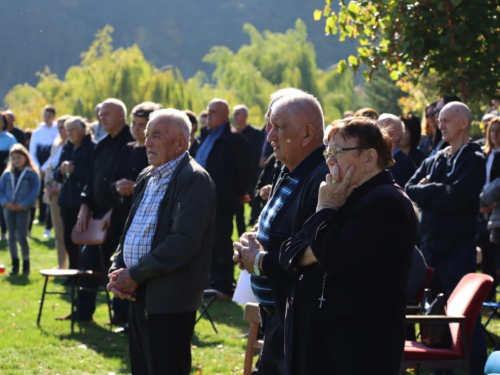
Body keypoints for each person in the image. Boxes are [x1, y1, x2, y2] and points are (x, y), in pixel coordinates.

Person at [267, 116, 416, 375]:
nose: (329, 160)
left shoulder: (387, 203)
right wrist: (323, 235)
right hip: (320, 339)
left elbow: (334, 256)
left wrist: (325, 211)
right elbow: (288, 252)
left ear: (369, 158)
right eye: (327, 151)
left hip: (358, 346)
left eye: (337, 151)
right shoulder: (343, 194)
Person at [107, 109, 216, 375]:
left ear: (180, 143)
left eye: (156, 135)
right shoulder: (147, 175)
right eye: (147, 135)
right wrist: (118, 266)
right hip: (139, 293)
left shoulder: (193, 178)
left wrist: (134, 274)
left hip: (169, 298)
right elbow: (132, 228)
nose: (148, 142)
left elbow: (183, 241)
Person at [233, 88, 329, 374]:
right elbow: (277, 230)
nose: (269, 136)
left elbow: (311, 251)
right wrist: (251, 241)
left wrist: (260, 259)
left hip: (298, 321)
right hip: (275, 317)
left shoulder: (320, 179)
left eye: (278, 127)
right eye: (269, 126)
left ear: (307, 134)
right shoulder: (287, 170)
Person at [405, 101, 487, 374]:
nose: (440, 125)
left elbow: (458, 198)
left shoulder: (473, 159)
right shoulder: (436, 157)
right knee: (434, 319)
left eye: (446, 120)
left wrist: (432, 190)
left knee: (464, 319)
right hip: (430, 249)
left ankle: (473, 370)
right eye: (439, 120)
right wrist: (441, 190)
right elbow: (410, 188)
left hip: (456, 250)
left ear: (464, 122)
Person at [56, 98, 133, 322]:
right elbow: (92, 181)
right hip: (98, 213)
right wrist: (84, 206)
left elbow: (124, 182)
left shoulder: (130, 144)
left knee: (121, 265)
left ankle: (121, 316)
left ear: (121, 116)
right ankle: (83, 311)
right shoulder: (101, 144)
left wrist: (112, 210)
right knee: (87, 260)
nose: (101, 117)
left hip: (122, 216)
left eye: (106, 114)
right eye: (100, 114)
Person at [193, 98, 252, 300]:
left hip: (223, 200)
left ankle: (224, 286)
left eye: (213, 112)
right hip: (202, 200)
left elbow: (244, 171)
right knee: (206, 241)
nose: (208, 114)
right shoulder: (207, 135)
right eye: (208, 111)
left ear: (225, 116)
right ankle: (210, 282)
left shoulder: (234, 139)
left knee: (221, 241)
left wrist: (239, 192)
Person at [109, 101, 158, 327]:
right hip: (121, 213)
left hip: (143, 217)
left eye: (142, 125)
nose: (137, 129)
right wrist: (117, 185)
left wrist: (134, 188)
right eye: (135, 124)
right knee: (118, 261)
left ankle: (134, 317)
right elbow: (111, 178)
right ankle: (119, 313)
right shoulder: (126, 149)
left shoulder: (154, 154)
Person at [53, 116, 95, 270]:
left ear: (83, 130)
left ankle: (84, 273)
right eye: (67, 129)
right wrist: (62, 170)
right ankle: (72, 273)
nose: (68, 133)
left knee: (83, 240)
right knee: (68, 239)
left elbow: (94, 176)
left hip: (83, 202)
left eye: (72, 130)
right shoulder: (67, 148)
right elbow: (56, 175)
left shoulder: (93, 148)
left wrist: (74, 170)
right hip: (66, 201)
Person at [0, 144, 40, 275]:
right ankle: (15, 263)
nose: (16, 160)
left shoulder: (32, 174)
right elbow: (1, 191)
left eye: (19, 157)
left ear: (25, 157)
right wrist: (6, 203)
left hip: (23, 209)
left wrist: (23, 205)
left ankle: (26, 264)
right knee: (11, 235)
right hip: (8, 208)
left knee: (22, 236)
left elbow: (34, 192)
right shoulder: (6, 174)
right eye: (14, 158)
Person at [477, 116, 500, 302]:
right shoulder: (483, 154)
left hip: (496, 212)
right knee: (486, 256)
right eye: (492, 131)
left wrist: (493, 204)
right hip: (481, 211)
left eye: (499, 131)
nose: (495, 135)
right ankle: (487, 297)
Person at [42, 115, 69, 267]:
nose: (61, 130)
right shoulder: (57, 144)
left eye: (64, 127)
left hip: (65, 191)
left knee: (69, 230)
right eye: (59, 127)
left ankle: (73, 265)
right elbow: (50, 167)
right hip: (52, 190)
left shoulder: (72, 146)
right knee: (58, 230)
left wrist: (59, 189)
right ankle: (61, 264)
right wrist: (47, 185)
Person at [232, 104, 264, 232]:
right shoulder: (232, 134)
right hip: (236, 177)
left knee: (255, 204)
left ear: (245, 116)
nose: (235, 116)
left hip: (252, 175)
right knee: (238, 209)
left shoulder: (255, 133)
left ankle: (258, 233)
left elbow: (257, 154)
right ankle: (241, 235)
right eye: (234, 114)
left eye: (238, 113)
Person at [30, 105, 58, 234]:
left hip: (50, 167)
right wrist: (37, 167)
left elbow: (55, 152)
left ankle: (48, 223)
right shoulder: (37, 132)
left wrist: (45, 168)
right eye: (45, 116)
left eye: (49, 116)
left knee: (49, 194)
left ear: (53, 117)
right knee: (38, 194)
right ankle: (40, 217)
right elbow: (32, 151)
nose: (46, 118)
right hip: (38, 167)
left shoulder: (57, 131)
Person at [378, 113, 416, 188]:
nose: (376, 133)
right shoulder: (376, 159)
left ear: (397, 135)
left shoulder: (405, 164)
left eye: (381, 128)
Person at [0, 112, 17, 240]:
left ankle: (4, 232)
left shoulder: (10, 139)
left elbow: (14, 156)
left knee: (4, 203)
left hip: (5, 174)